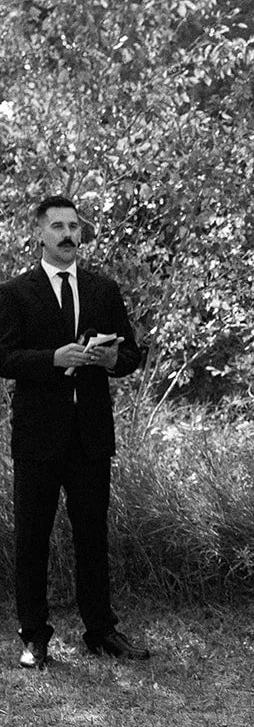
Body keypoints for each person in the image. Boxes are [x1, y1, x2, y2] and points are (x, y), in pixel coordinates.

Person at [0, 195, 147, 669]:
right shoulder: (15, 293)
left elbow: (131, 355)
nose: (67, 234)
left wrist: (111, 360)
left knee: (92, 537)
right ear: (39, 233)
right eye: (57, 226)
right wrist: (52, 360)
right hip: (38, 440)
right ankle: (34, 636)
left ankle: (100, 631)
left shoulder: (104, 289)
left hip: (90, 437)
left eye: (74, 226)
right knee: (32, 539)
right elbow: (4, 359)